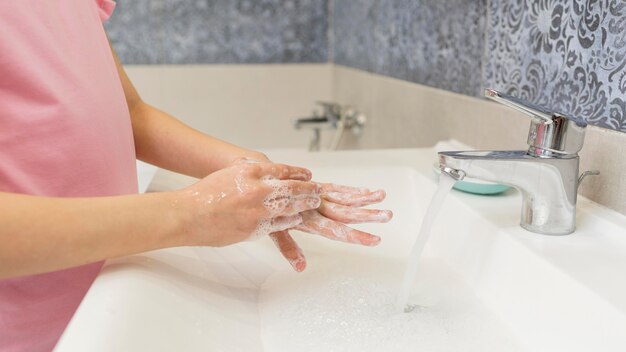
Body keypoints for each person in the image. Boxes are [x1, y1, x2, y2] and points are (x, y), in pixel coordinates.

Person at [0, 1, 392, 351]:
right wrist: (193, 214)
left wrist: (251, 170)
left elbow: (129, 111)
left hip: (109, 295)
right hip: (27, 329)